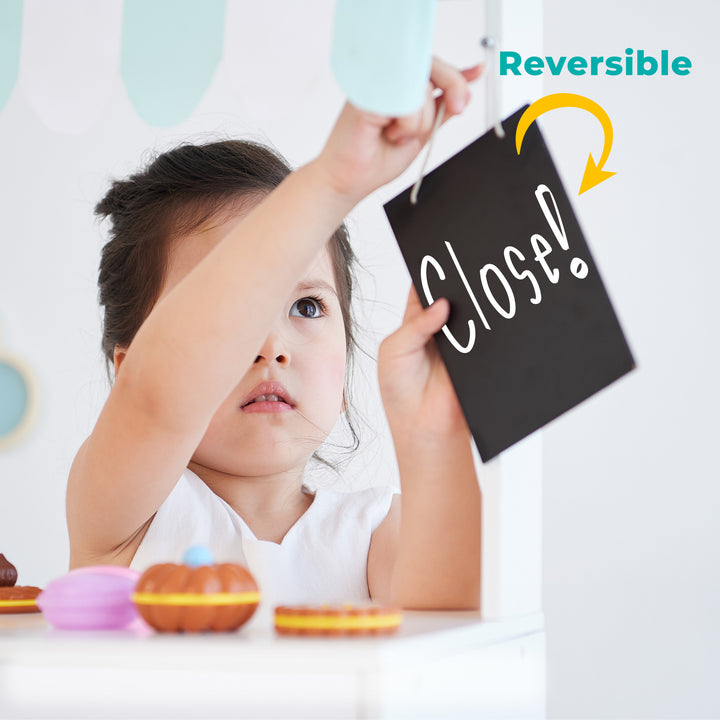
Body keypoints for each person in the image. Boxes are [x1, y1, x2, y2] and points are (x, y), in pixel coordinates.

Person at [66, 58, 483, 610]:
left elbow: (443, 630)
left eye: (308, 306)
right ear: (128, 368)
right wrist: (330, 184)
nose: (271, 346)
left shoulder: (373, 531)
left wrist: (434, 437)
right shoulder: (125, 517)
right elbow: (157, 398)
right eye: (232, 313)